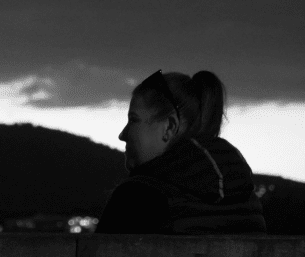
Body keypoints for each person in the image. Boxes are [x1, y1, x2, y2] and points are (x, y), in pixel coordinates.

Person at [97, 69, 266, 234]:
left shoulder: (136, 198)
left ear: (169, 127)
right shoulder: (247, 200)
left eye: (133, 120)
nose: (122, 134)